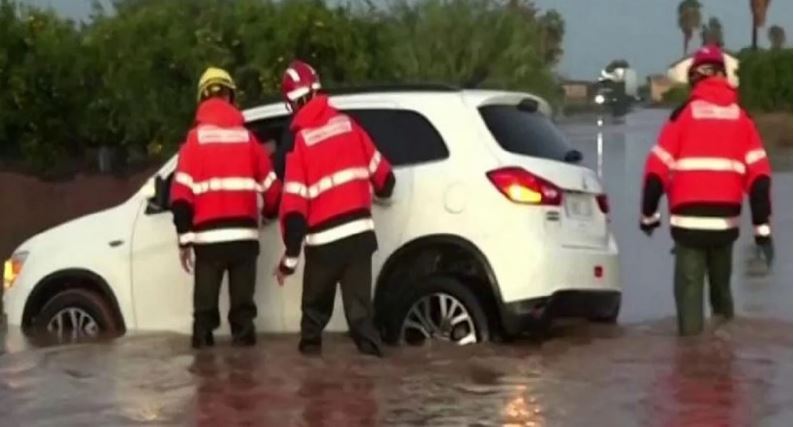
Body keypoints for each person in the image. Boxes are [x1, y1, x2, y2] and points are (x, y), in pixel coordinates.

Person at [640, 45, 774, 336]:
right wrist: (762, 231)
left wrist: (648, 216)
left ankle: (690, 358)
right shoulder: (742, 119)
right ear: (724, 76)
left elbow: (655, 173)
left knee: (689, 299)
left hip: (688, 224)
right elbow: (760, 178)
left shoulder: (681, 116)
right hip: (726, 223)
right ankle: (724, 353)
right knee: (722, 292)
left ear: (693, 78)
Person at [274, 60, 396, 357]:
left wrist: (288, 261)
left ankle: (313, 396)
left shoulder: (300, 142)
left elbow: (294, 211)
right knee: (361, 320)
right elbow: (386, 180)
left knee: (313, 323)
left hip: (324, 248)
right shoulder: (349, 126)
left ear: (291, 102)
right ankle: (373, 386)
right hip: (359, 240)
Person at [171, 66, 282, 348]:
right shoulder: (248, 139)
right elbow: (273, 192)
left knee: (204, 315)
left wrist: (184, 240)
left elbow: (181, 199)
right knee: (243, 316)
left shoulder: (194, 142)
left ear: (202, 99)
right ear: (231, 97)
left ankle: (205, 376)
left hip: (208, 243)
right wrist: (268, 215)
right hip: (244, 241)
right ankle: (245, 381)